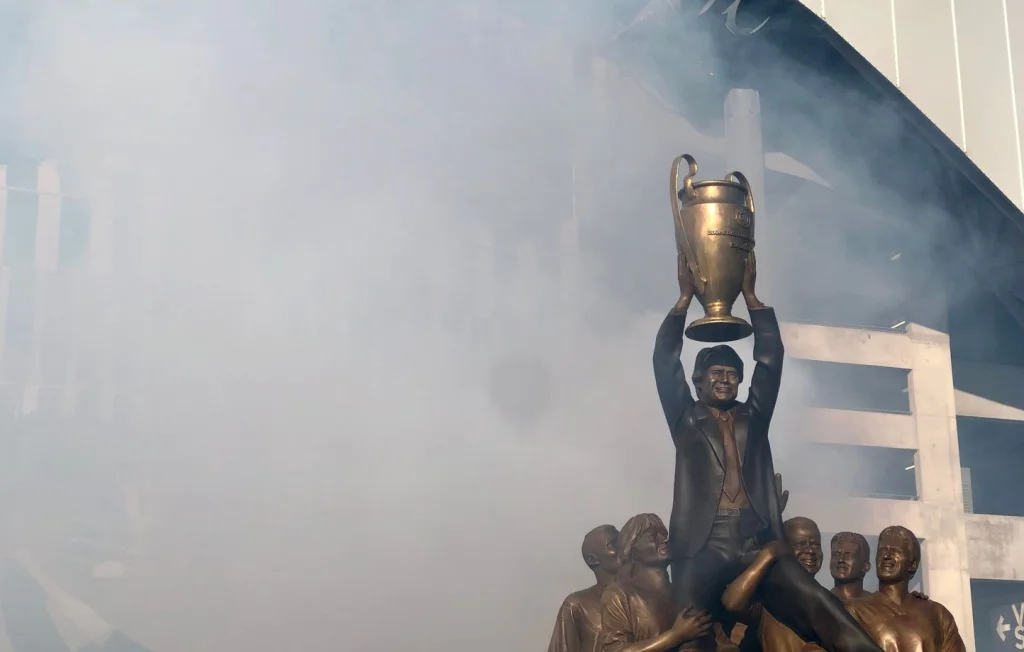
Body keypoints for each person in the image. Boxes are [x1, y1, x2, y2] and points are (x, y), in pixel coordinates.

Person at [653, 252, 882, 652]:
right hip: (702, 544)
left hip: (754, 539)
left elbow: (771, 361)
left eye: (733, 375)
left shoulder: (754, 417)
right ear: (698, 381)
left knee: (821, 605)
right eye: (716, 374)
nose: (725, 381)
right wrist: (683, 301)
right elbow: (664, 361)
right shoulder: (685, 419)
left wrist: (752, 300)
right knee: (689, 632)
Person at [599, 514, 711, 652]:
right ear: (633, 548)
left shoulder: (683, 594)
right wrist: (675, 635)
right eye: (653, 537)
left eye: (664, 535)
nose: (664, 540)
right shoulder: (618, 595)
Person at [845, 527, 965, 652]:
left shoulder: (938, 614)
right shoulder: (853, 611)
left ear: (912, 565)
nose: (886, 556)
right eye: (882, 550)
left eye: (895, 551)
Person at [548, 525, 622, 652]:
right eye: (612, 545)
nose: (624, 548)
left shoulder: (644, 597)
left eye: (623, 541)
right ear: (592, 559)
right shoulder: (576, 605)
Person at [830, 532, 872, 603]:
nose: (840, 560)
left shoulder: (877, 605)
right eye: (835, 554)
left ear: (866, 566)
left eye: (848, 555)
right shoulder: (819, 603)